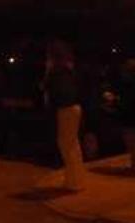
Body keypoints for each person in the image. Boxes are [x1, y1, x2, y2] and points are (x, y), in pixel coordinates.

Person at [44, 39, 87, 191]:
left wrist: (47, 78)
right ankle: (75, 179)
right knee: (72, 144)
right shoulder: (69, 69)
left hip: (65, 108)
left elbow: (52, 91)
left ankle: (74, 182)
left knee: (66, 145)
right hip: (74, 107)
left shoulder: (57, 71)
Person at [118, 59, 135, 172]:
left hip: (130, 118)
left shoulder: (127, 85)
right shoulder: (127, 84)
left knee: (131, 143)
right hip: (129, 117)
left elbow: (126, 102)